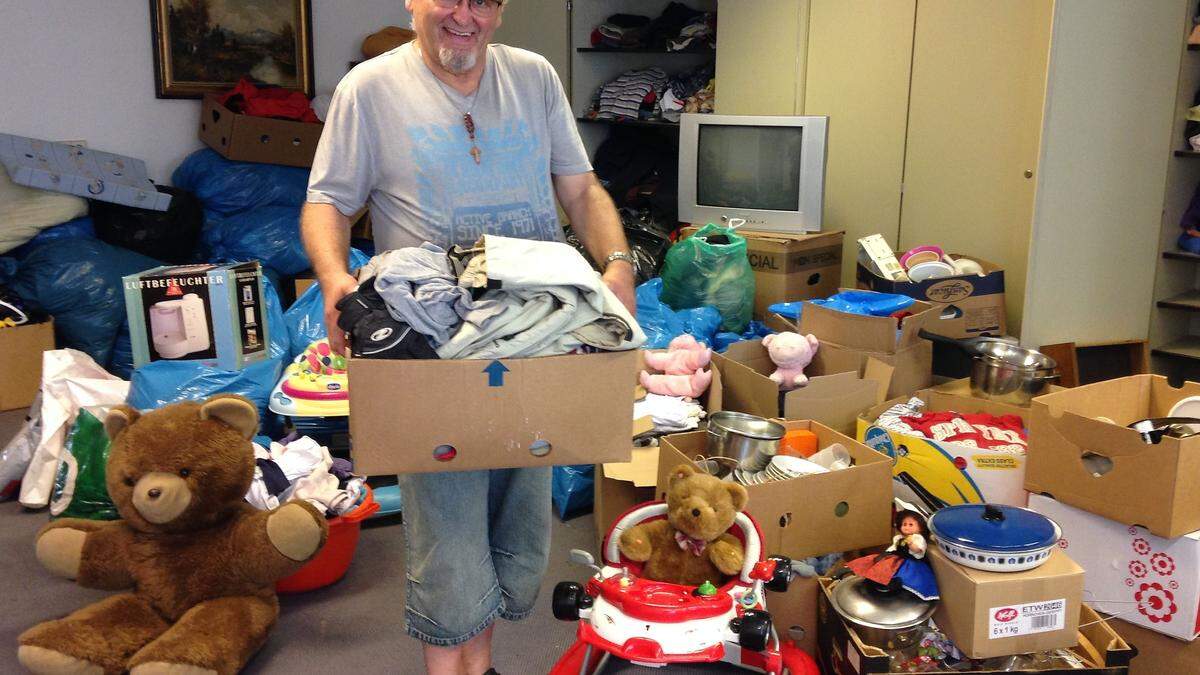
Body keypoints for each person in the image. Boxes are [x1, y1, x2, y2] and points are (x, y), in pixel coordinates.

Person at [300, 0, 637, 673]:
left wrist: (618, 264)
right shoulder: (371, 89)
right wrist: (336, 280)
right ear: (412, 1)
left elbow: (580, 186)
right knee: (448, 534)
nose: (463, 15)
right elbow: (328, 201)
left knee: (518, 526)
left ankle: (478, 666)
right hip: (434, 349)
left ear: (501, 8)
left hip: (534, 334)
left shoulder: (535, 77)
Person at [843, 509, 939, 601]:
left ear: (920, 528)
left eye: (911, 524)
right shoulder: (899, 538)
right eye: (904, 524)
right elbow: (893, 548)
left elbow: (918, 550)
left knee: (905, 575)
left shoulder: (917, 538)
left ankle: (893, 584)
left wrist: (911, 544)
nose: (906, 527)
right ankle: (877, 581)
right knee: (879, 566)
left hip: (909, 561)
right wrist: (885, 555)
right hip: (895, 557)